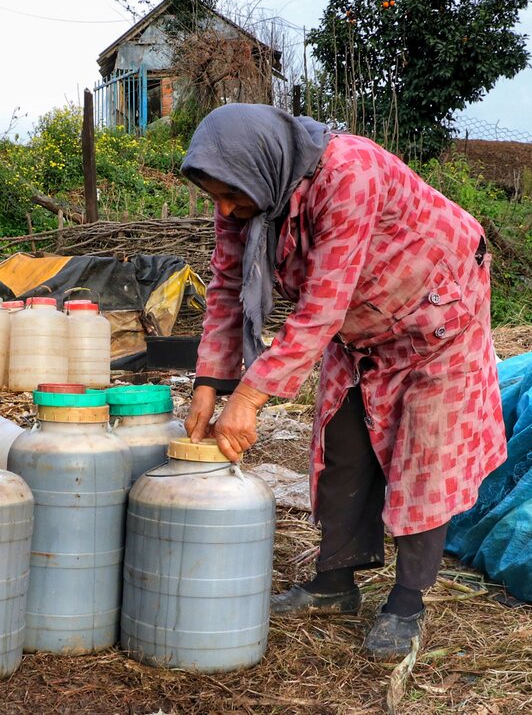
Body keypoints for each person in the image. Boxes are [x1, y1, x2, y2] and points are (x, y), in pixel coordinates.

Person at [181, 104, 506, 660]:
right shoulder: (247, 190)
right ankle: (335, 585)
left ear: (263, 166)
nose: (227, 210)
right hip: (359, 322)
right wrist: (209, 385)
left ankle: (407, 602)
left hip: (436, 313)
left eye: (231, 197)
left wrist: (250, 397)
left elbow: (320, 307)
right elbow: (226, 288)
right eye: (218, 197)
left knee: (422, 455)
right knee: (341, 444)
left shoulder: (348, 174)